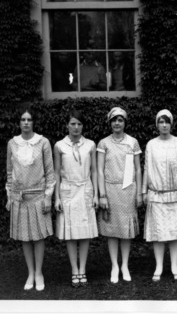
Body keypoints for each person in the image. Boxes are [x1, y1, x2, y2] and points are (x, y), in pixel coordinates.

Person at [5, 109, 56, 291]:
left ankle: (39, 272)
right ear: (19, 122)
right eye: (23, 119)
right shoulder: (12, 143)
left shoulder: (43, 142)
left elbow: (50, 172)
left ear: (33, 122)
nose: (26, 122)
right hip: (19, 197)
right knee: (25, 238)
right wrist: (10, 195)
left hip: (39, 196)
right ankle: (31, 273)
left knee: (39, 237)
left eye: (29, 119)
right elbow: (10, 172)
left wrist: (48, 197)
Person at [142, 109, 177, 282]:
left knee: (175, 232)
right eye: (161, 122)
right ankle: (159, 266)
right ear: (157, 124)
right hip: (156, 194)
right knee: (158, 233)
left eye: (167, 122)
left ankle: (174, 266)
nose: (164, 125)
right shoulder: (150, 144)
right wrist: (143, 191)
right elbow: (147, 169)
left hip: (176, 194)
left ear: (171, 124)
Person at [54, 110, 99, 287]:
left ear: (83, 126)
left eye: (79, 124)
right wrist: (57, 197)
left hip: (85, 190)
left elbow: (94, 170)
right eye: (72, 123)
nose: (76, 127)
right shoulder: (59, 145)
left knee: (85, 234)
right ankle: (74, 269)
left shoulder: (90, 145)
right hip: (67, 191)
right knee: (71, 234)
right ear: (67, 125)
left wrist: (95, 193)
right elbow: (56, 173)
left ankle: (83, 269)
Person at [97, 107, 142, 284]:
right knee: (112, 231)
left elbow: (138, 169)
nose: (117, 123)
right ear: (110, 122)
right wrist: (102, 194)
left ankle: (125, 265)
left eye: (120, 120)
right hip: (110, 190)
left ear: (124, 122)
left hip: (128, 190)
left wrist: (139, 193)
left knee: (126, 230)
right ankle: (115, 265)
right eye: (114, 120)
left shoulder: (132, 142)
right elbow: (99, 171)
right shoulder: (103, 143)